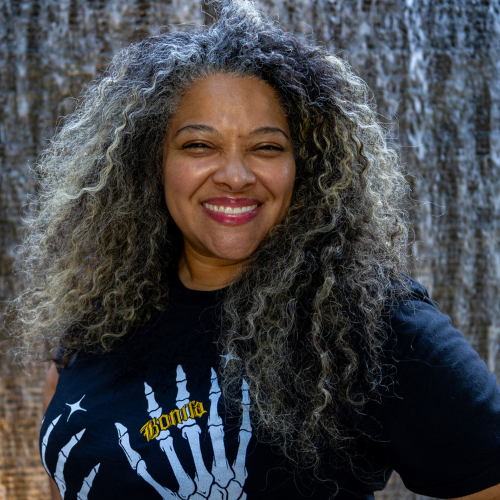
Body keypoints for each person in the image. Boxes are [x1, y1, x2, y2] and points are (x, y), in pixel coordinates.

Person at [8, 1, 500, 499]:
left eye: (266, 148)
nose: (236, 176)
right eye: (200, 146)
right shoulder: (99, 320)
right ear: (149, 163)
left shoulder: (373, 325)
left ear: (304, 168)